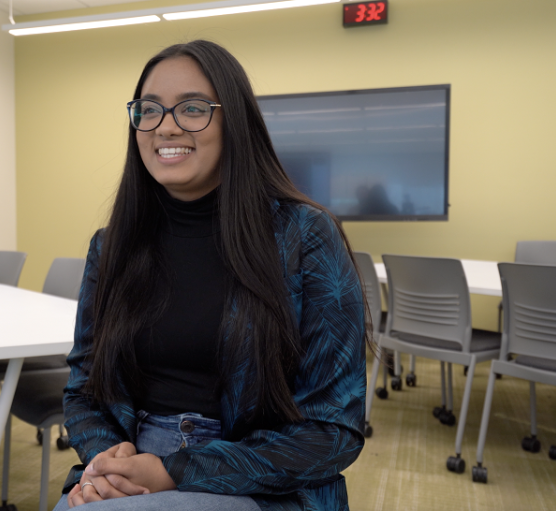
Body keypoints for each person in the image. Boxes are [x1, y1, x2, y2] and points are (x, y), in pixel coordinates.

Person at [54, 40, 370, 511]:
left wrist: (174, 471)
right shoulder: (113, 245)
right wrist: (108, 461)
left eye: (193, 109)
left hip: (257, 483)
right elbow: (83, 390)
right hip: (131, 468)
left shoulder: (305, 236)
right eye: (150, 110)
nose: (166, 126)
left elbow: (334, 431)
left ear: (234, 121)